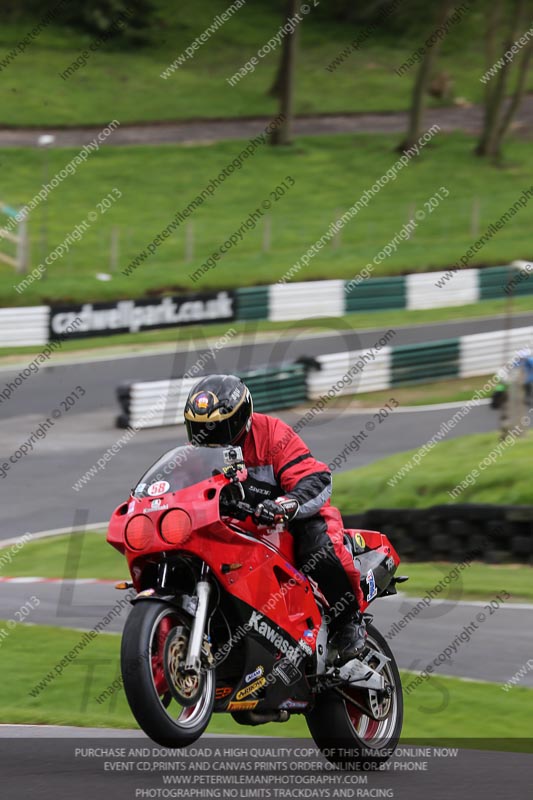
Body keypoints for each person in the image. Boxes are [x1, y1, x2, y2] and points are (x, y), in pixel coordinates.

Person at [184, 373, 366, 665]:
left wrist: (284, 505)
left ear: (241, 418)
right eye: (200, 429)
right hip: (235, 528)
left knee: (317, 549)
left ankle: (348, 622)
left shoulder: (272, 434)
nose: (209, 437)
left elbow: (315, 478)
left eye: (218, 427)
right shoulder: (193, 456)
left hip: (288, 521)